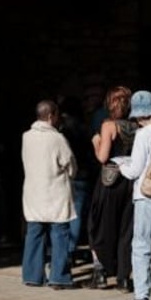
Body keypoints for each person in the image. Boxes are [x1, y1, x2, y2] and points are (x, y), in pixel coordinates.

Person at [118, 90, 151, 300]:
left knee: (141, 246)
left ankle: (142, 297)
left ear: (140, 116)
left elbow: (135, 170)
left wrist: (121, 166)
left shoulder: (143, 134)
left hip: (146, 194)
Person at [20, 99, 78, 289]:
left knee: (34, 233)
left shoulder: (26, 136)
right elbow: (69, 164)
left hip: (33, 191)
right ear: (51, 115)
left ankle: (32, 275)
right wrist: (71, 174)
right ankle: (59, 277)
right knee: (59, 234)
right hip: (55, 192)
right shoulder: (57, 139)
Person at [87, 86, 138, 290]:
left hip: (110, 180)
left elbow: (102, 157)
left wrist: (96, 141)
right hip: (130, 180)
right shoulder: (137, 126)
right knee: (126, 229)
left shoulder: (109, 125)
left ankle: (100, 272)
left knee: (98, 225)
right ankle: (123, 277)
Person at [58, 96, 93, 263]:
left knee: (65, 214)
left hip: (69, 174)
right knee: (77, 214)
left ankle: (67, 250)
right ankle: (71, 249)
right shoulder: (85, 128)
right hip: (84, 173)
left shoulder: (63, 132)